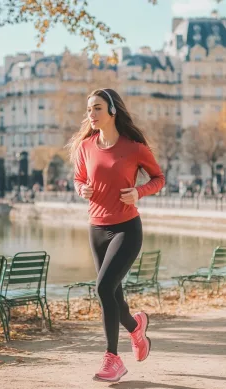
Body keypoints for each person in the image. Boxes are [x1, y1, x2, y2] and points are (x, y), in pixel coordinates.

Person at [69, 88, 165, 383]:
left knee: (102, 288)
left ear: (112, 111)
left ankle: (113, 359)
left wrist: (139, 191)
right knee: (111, 292)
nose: (91, 115)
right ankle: (136, 327)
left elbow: (159, 178)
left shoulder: (134, 147)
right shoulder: (86, 146)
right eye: (89, 110)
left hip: (126, 228)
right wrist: (81, 189)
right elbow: (79, 179)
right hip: (96, 228)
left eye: (97, 108)